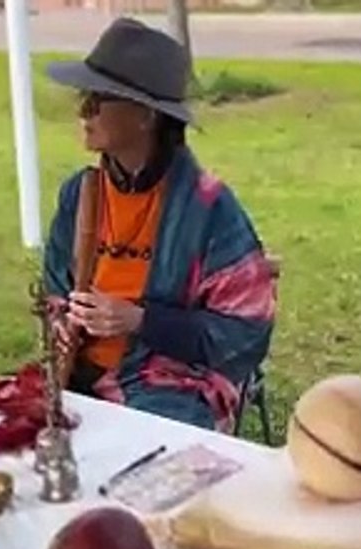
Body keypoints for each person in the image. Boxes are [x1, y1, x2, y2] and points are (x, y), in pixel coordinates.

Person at [41, 17, 276, 433]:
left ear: (145, 116)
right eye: (83, 97)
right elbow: (56, 288)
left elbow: (245, 333)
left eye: (98, 100)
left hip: (171, 382)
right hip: (78, 373)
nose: (83, 112)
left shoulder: (209, 208)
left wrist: (140, 320)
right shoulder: (79, 193)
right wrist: (61, 323)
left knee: (154, 459)